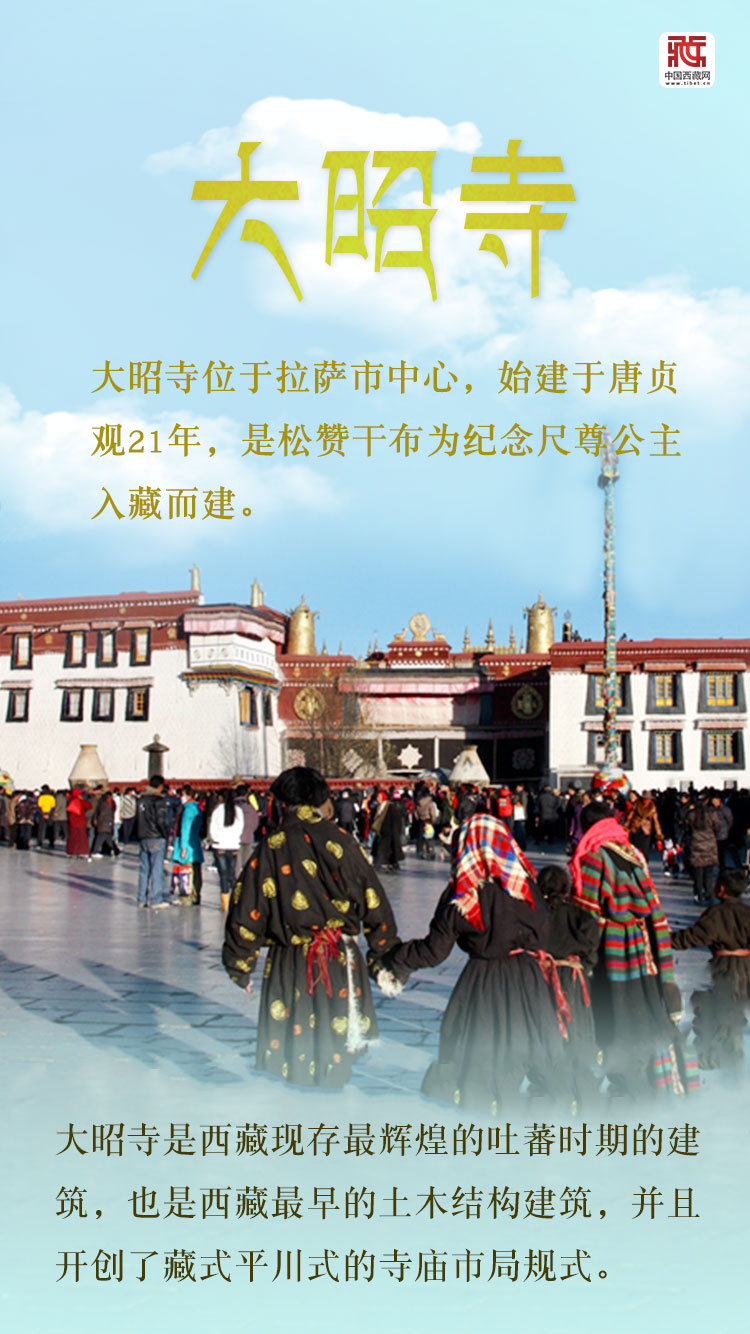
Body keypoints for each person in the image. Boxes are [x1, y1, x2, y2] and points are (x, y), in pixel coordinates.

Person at [223, 766, 399, 1088]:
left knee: (292, 1045)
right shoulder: (342, 841)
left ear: (283, 802)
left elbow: (247, 908)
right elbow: (373, 899)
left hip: (289, 960)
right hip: (338, 956)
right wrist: (384, 955)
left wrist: (240, 963)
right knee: (336, 1043)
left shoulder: (271, 846)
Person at [381, 813, 569, 1113]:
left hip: (482, 983)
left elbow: (434, 951)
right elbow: (544, 936)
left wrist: (396, 960)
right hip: (527, 983)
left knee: (477, 1064)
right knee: (536, 1052)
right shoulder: (525, 886)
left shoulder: (463, 893)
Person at [570, 799, 699, 1096]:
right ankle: (655, 1071)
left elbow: (586, 911)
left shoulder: (594, 856)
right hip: (642, 943)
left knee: (615, 1007)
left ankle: (623, 1078)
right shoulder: (632, 852)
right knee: (642, 1001)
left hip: (611, 944)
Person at [671, 868, 750, 1070]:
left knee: (722, 1013)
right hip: (746, 967)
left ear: (721, 889)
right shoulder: (746, 913)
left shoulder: (716, 914)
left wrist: (667, 939)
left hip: (726, 969)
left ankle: (722, 1058)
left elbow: (695, 936)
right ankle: (730, 1054)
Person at [536, 864, 600, 1107]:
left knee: (548, 1033)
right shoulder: (581, 915)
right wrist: (584, 965)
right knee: (577, 1031)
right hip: (573, 979)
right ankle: (582, 1091)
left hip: (543, 979)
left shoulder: (534, 915)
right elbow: (591, 949)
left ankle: (552, 1088)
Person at [135, 776, 171, 908]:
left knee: (144, 870)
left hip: (143, 836)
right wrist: (165, 834)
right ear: (160, 786)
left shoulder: (141, 800)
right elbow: (161, 820)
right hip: (156, 836)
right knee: (157, 869)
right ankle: (156, 899)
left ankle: (141, 899)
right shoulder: (159, 801)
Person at [209, 789, 245, 914]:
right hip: (233, 845)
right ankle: (236, 899)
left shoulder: (217, 811)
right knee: (232, 874)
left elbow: (212, 827)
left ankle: (225, 902)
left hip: (220, 845)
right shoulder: (238, 811)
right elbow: (241, 827)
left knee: (223, 875)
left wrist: (215, 839)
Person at [685, 796, 722, 905]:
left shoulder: (691, 815)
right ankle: (708, 892)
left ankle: (698, 894)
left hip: (696, 844)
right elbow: (718, 826)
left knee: (698, 872)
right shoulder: (712, 814)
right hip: (710, 844)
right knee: (709, 872)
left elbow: (687, 827)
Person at [172, 785, 204, 905]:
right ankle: (196, 895)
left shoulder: (187, 810)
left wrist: (183, 847)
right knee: (196, 871)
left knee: (186, 871)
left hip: (187, 844)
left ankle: (186, 897)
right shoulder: (197, 808)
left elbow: (185, 829)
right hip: (195, 843)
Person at [65, 788, 91, 858]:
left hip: (72, 822)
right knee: (81, 838)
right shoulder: (80, 801)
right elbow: (89, 806)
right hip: (81, 822)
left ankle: (71, 851)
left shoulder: (70, 801)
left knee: (73, 837)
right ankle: (82, 851)